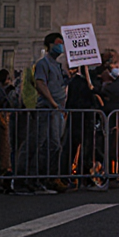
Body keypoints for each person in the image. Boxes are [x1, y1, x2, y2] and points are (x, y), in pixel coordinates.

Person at [30, 32, 69, 194]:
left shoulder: (58, 65)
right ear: (49, 45)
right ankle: (36, 180)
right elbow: (40, 84)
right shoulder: (42, 63)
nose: (61, 46)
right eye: (58, 43)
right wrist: (52, 103)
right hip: (47, 109)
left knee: (55, 145)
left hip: (57, 110)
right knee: (43, 145)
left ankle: (51, 178)